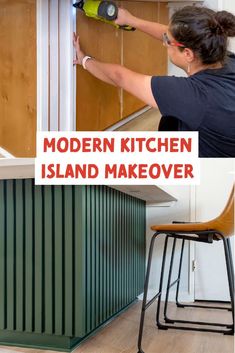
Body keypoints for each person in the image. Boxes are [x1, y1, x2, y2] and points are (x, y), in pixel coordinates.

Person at [73, 6, 235, 157]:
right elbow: (175, 34)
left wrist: (84, 59)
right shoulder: (223, 58)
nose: (164, 43)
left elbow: (119, 76)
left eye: (168, 41)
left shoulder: (192, 95)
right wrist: (130, 20)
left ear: (187, 54)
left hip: (208, 173)